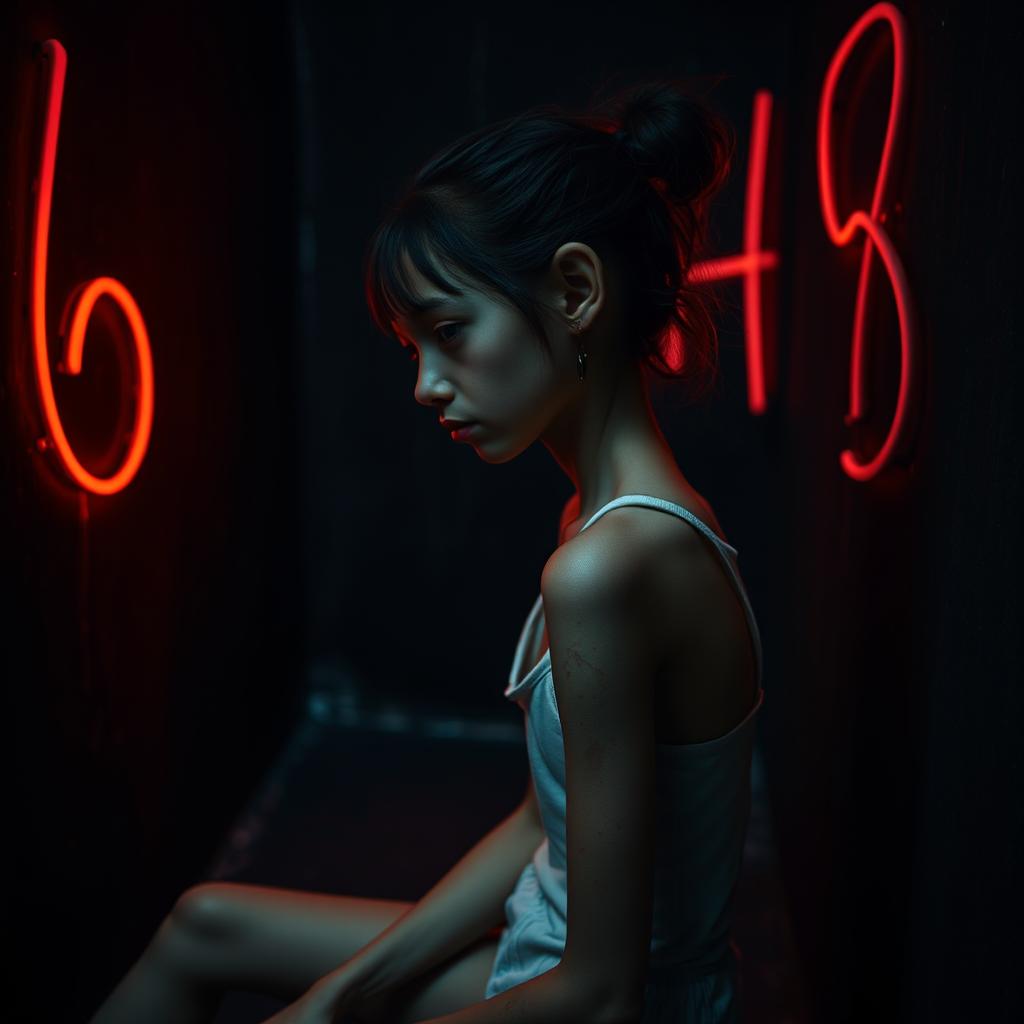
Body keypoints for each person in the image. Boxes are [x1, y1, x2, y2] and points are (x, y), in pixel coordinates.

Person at [89, 76, 762, 1024]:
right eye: (414, 350)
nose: (426, 387)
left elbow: (604, 996)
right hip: (542, 949)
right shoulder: (600, 520)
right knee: (206, 922)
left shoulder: (612, 564)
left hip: (604, 1001)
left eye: (449, 334)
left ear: (576, 291)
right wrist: (338, 995)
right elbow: (547, 823)